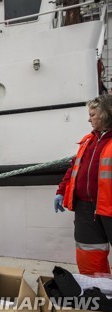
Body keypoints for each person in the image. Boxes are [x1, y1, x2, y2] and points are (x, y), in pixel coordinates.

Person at [55, 95, 112, 275]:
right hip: (86, 208)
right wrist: (61, 191)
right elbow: (74, 169)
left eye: (92, 114)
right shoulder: (88, 141)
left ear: (105, 115)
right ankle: (99, 292)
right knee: (89, 252)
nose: (89, 119)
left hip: (109, 207)